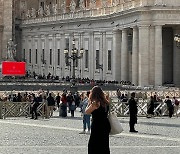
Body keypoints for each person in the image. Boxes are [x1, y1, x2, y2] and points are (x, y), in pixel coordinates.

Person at [85, 86, 111, 154]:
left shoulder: (95, 103)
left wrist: (89, 103)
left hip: (97, 125)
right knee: (104, 145)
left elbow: (87, 111)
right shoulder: (105, 102)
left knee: (93, 146)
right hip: (105, 124)